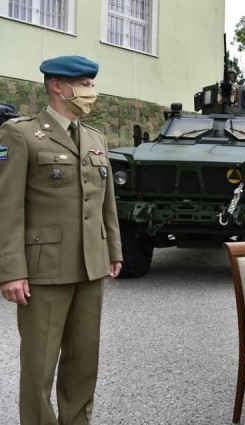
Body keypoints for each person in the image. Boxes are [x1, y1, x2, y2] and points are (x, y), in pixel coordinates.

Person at [0, 55, 123, 425]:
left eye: (90, 84)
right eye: (84, 84)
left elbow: (106, 203)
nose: (90, 92)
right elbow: (7, 207)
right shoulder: (20, 134)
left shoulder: (96, 138)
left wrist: (113, 250)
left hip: (90, 266)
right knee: (39, 367)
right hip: (44, 270)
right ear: (57, 86)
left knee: (83, 361)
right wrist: (10, 270)